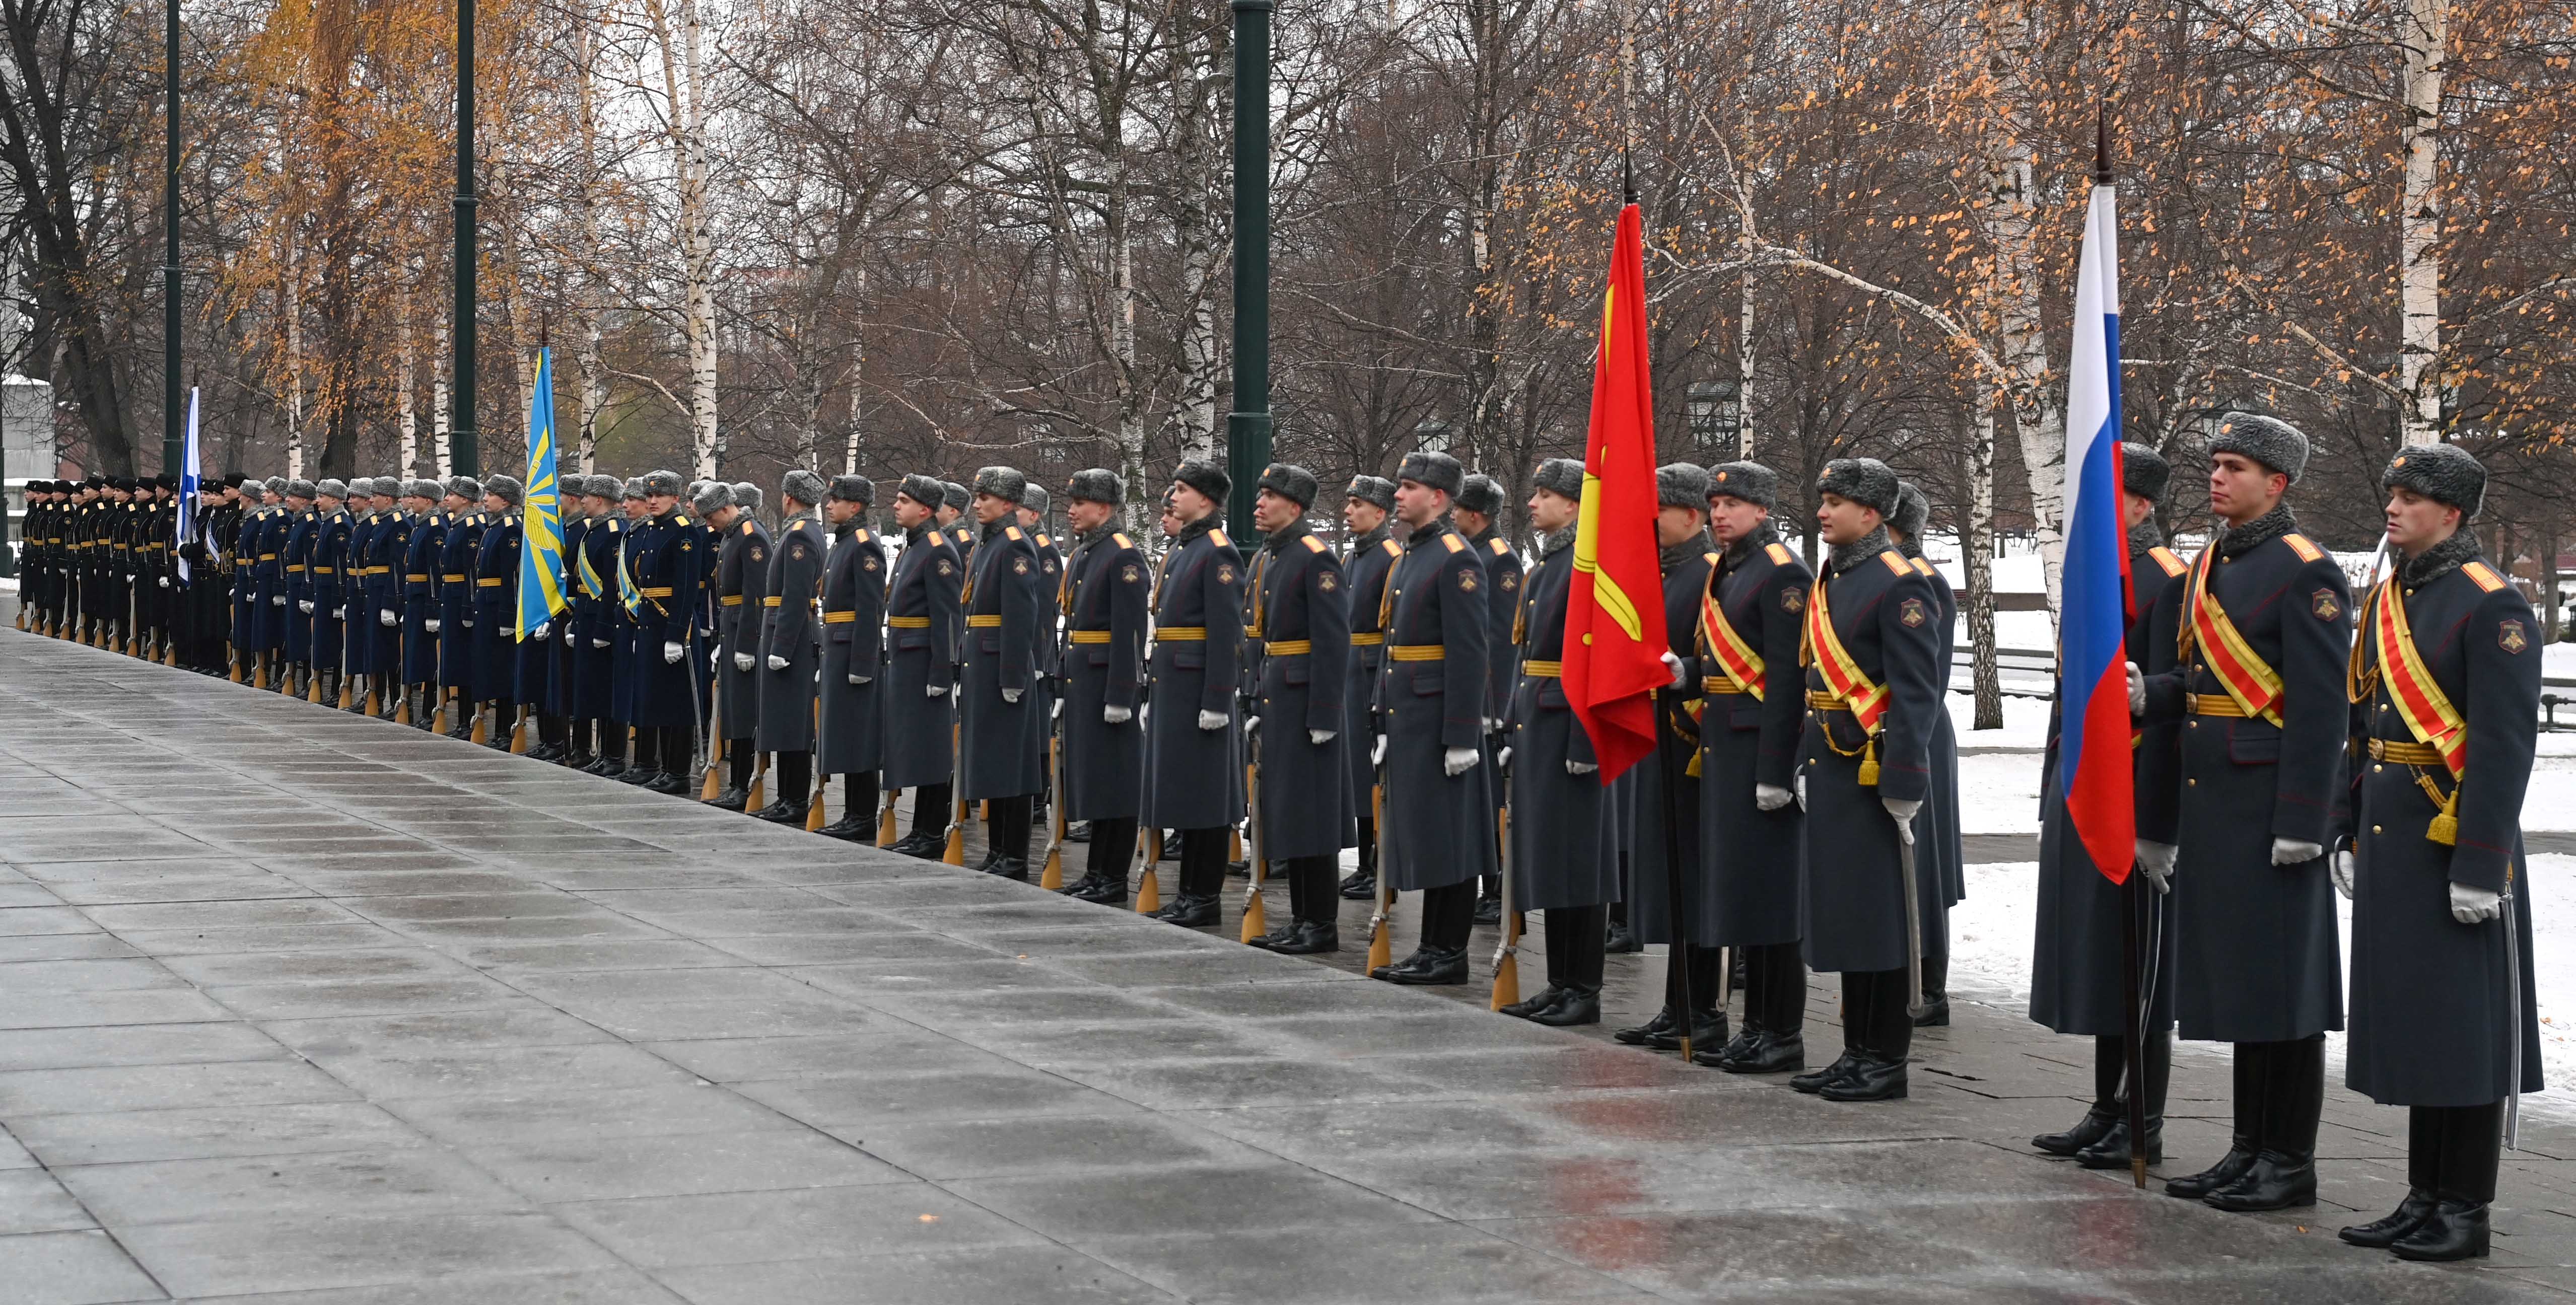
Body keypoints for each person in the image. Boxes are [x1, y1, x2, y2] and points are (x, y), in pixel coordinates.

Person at [2131, 413, 2350, 1211]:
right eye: (2215, 464)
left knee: (2282, 989)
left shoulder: (2305, 571)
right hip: (2214, 803)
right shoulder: (2208, 564)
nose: (2216, 477)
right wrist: (2150, 694)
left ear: (2275, 483)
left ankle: (2287, 1160)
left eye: (2234, 467)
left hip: (2266, 808)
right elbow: (2198, 686)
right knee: (2244, 985)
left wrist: (2303, 820)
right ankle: (2247, 1148)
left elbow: (2321, 711)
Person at [2332, 442, 2543, 1262]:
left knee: (2464, 1029)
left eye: (2410, 497)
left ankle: (2465, 1209)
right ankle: (2424, 1196)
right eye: (2391, 493)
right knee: (2424, 1022)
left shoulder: (2491, 605)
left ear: (2450, 513)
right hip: (2396, 839)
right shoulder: (2393, 594)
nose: (2392, 507)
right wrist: (2348, 825)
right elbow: (2365, 724)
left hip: (2454, 841)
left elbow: (2501, 746)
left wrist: (2482, 865)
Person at [2030, 443, 2186, 1169]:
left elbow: (2166, 706)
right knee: (2103, 958)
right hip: (2086, 782)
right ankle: (2105, 1107)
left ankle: (2141, 1119)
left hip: (2130, 792)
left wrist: (2155, 820)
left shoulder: (2165, 581)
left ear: (2140, 505)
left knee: (2137, 961)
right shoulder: (2095, 573)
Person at [1792, 457, 1944, 1103]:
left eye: (1836, 503)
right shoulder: (1835, 575)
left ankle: (1885, 1059)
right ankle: (1856, 1050)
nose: (1823, 512)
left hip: (1874, 772)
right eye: (1823, 500)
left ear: (1872, 514)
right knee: (1850, 914)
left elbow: (1917, 694)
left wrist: (1905, 781)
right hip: (1832, 765)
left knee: (1881, 918)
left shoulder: (1900, 584)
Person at [1689, 461, 1813, 1070]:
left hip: (1757, 751)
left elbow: (1788, 680)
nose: (1719, 514)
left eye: (1732, 504)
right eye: (1714, 504)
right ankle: (1753, 1027)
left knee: (1771, 897)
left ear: (1763, 510)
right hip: (1725, 748)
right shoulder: (1730, 569)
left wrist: (1775, 770)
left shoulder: (1782, 571)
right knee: (1743, 892)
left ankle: (1781, 1031)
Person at [1496, 458, 1618, 1022]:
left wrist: (1586, 743)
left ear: (1574, 504)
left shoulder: (1587, 567)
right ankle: (1560, 981)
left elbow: (1596, 661)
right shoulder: (1549, 564)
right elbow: (1527, 655)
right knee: (1552, 858)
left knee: (1579, 863)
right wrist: (1511, 723)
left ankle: (1583, 989)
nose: (1532, 503)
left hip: (1570, 730)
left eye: (1544, 495)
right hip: (1541, 723)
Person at [1368, 450, 1496, 984]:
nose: (1398, 495)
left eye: (1408, 487)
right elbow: (1393, 646)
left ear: (1438, 497)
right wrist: (1381, 717)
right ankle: (1431, 947)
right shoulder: (1412, 554)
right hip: (1411, 715)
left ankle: (1448, 952)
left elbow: (1469, 650)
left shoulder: (1454, 557)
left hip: (1439, 717)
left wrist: (1463, 733)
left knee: (1451, 838)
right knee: (1431, 835)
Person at [1614, 463, 1726, 1053]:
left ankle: (1700, 1008)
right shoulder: (1661, 573)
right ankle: (1677, 1004)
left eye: (1656, 509)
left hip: (1692, 742)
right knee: (1669, 877)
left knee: (1692, 879)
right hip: (1659, 738)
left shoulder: (1709, 574)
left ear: (1690, 514)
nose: (1647, 519)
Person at [1242, 463, 1353, 954]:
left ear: (1295, 506)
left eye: (1269, 496)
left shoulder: (1314, 557)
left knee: (1313, 815)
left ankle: (1320, 923)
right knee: (1291, 811)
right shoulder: (1274, 555)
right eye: (1260, 495)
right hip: (1280, 697)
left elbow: (1332, 642)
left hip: (1306, 702)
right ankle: (1301, 917)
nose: (1259, 504)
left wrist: (1325, 713)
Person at [1141, 461, 1247, 925]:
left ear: (1204, 499)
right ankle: (1189, 893)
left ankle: (1203, 897)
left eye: (1181, 489)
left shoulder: (1217, 552)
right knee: (1187, 791)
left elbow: (1225, 633)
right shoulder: (1186, 549)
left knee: (1205, 796)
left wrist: (1217, 699)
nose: (1172, 496)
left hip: (1199, 688)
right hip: (1176, 684)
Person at [1887, 482, 1963, 1024]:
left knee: (1924, 861)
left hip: (1920, 728)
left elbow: (1925, 675)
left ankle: (1929, 987)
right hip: (1899, 727)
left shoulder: (1920, 581)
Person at [1055, 470, 1150, 904]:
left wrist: (1121, 693)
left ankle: (1112, 877)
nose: (1071, 510)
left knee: (1116, 782)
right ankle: (1096, 872)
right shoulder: (1087, 553)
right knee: (1096, 779)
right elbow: (1073, 627)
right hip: (1085, 679)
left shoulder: (1122, 556)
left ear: (1104, 508)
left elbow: (1129, 631)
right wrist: (1062, 683)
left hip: (1107, 681)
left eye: (1080, 503)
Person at [956, 467, 1047, 877]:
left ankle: (1014, 855)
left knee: (1012, 763)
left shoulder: (1014, 545)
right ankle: (998, 851)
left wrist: (1012, 676)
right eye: (977, 497)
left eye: (985, 498)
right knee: (993, 760)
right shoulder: (989, 543)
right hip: (983, 662)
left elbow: (1020, 616)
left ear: (1008, 503)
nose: (977, 504)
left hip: (1001, 666)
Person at [882, 474, 965, 857]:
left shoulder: (937, 550)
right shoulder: (915, 546)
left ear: (926, 509)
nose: (896, 505)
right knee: (914, 746)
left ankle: (931, 832)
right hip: (906, 657)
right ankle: (920, 829)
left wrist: (942, 670)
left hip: (923, 662)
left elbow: (947, 618)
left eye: (904, 500)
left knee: (932, 749)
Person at [1454, 472, 1519, 923]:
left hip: (1490, 700)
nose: (1452, 515)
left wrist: (1493, 706)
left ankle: (1498, 889)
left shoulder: (1499, 559)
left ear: (1475, 514)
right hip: (1473, 694)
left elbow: (1500, 639)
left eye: (1458, 509)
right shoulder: (1469, 553)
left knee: (1496, 799)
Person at [1339, 476, 1401, 903]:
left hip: (1372, 672)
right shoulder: (1353, 558)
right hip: (1351, 671)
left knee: (1375, 776)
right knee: (1359, 776)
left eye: (1357, 504)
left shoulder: (1391, 559)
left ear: (1380, 513)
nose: (1348, 511)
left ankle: (1379, 864)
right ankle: (1364, 863)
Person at [754, 472, 830, 824]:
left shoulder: (800, 534)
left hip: (793, 639)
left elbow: (796, 595)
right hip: (789, 634)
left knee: (794, 723)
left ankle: (794, 799)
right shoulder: (805, 531)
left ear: (789, 497)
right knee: (785, 720)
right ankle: (786, 796)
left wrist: (782, 646)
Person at [814, 475, 887, 840]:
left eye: (836, 500)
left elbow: (870, 609)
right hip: (838, 647)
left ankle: (862, 815)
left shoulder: (863, 544)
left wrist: (862, 662)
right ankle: (852, 812)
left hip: (852, 651)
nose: (829, 506)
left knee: (859, 736)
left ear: (855, 506)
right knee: (846, 733)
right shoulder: (844, 542)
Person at [627, 470, 707, 794]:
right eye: (649, 496)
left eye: (659, 496)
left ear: (676, 498)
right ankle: (662, 768)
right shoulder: (652, 529)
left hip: (673, 623)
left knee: (678, 701)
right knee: (657, 698)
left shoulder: (683, 532)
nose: (652, 501)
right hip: (650, 622)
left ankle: (678, 772)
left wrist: (676, 635)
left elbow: (686, 588)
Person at [708, 481, 772, 807]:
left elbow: (755, 595)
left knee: (745, 712)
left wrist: (747, 642)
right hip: (731, 629)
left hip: (745, 632)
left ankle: (744, 785)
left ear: (725, 508)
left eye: (711, 516)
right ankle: (737, 784)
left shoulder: (751, 536)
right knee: (735, 710)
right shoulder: (733, 535)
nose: (709, 523)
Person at [567, 477, 625, 768]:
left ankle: (611, 754)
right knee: (587, 686)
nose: (583, 501)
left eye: (587, 496)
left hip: (601, 619)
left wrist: (604, 627)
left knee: (604, 689)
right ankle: (585, 750)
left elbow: (611, 588)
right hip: (586, 617)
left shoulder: (613, 532)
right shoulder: (595, 530)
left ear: (600, 500)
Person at [1017, 486, 1065, 828]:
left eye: (1018, 510)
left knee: (1036, 728)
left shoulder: (1043, 549)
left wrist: (1039, 657)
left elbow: (1046, 609)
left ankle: (1037, 797)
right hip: (1024, 650)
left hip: (1037, 653)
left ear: (1034, 514)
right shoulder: (1022, 545)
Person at [470, 476, 526, 747]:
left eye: (490, 495)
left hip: (498, 607)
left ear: (505, 501)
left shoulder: (511, 529)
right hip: (486, 604)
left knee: (504, 669)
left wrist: (507, 616)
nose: (485, 499)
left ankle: (505, 731)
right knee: (490, 667)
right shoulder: (494, 527)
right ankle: (498, 730)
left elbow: (511, 577)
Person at [436, 479, 485, 736]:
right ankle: (462, 721)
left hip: (461, 599)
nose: (447, 499)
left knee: (465, 662)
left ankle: (468, 721)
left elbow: (471, 573)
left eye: (452, 495)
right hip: (451, 598)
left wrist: (468, 608)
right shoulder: (457, 525)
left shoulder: (471, 527)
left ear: (465, 499)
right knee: (455, 661)